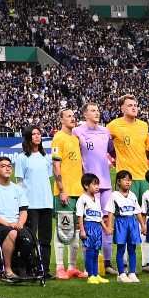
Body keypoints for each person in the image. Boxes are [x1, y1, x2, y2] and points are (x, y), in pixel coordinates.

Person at [11, 124, 55, 280]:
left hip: (46, 203)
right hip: (31, 204)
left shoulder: (45, 157)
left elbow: (48, 178)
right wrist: (22, 203)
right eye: (34, 134)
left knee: (45, 239)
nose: (37, 136)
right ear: (28, 137)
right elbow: (20, 182)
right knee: (30, 239)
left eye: (39, 134)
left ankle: (44, 268)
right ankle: (29, 267)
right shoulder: (23, 158)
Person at [50, 108, 85, 279]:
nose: (73, 118)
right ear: (61, 120)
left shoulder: (75, 138)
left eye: (73, 115)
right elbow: (56, 166)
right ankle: (59, 267)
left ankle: (72, 266)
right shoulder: (58, 138)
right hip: (66, 193)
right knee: (63, 229)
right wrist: (62, 190)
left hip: (78, 192)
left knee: (77, 230)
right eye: (69, 116)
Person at [107, 96, 149, 193]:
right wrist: (114, 156)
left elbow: (145, 149)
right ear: (122, 109)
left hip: (144, 175)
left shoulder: (143, 125)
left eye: (135, 105)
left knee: (145, 208)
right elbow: (104, 144)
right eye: (130, 105)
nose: (134, 108)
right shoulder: (113, 125)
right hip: (125, 177)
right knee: (127, 207)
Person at [108, 170, 142, 283]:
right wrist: (109, 226)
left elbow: (137, 211)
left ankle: (132, 273)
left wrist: (143, 224)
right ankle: (121, 274)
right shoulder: (114, 195)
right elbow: (111, 212)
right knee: (121, 248)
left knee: (132, 248)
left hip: (132, 223)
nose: (128, 182)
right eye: (125, 180)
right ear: (118, 181)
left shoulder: (132, 195)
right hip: (121, 223)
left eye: (129, 180)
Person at [78, 173, 107, 283]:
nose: (97, 187)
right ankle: (90, 276)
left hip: (97, 227)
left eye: (98, 184)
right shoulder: (82, 199)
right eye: (94, 184)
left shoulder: (97, 199)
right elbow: (80, 215)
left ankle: (96, 274)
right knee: (90, 251)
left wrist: (105, 228)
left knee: (96, 251)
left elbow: (99, 216)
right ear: (86, 185)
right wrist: (82, 230)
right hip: (88, 226)